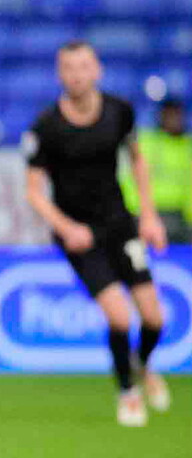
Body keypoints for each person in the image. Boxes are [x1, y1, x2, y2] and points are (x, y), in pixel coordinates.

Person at [24, 41, 171, 428]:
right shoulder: (46, 126)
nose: (77, 74)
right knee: (120, 319)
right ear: (60, 74)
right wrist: (66, 227)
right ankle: (128, 392)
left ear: (97, 70)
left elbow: (137, 161)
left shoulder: (120, 112)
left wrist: (150, 215)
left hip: (120, 224)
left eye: (84, 66)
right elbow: (33, 191)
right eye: (69, 68)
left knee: (154, 319)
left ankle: (142, 364)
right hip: (79, 235)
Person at [120, 98, 192, 244]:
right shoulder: (143, 140)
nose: (173, 120)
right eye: (169, 115)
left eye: (177, 115)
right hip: (140, 212)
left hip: (177, 215)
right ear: (160, 116)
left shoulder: (188, 146)